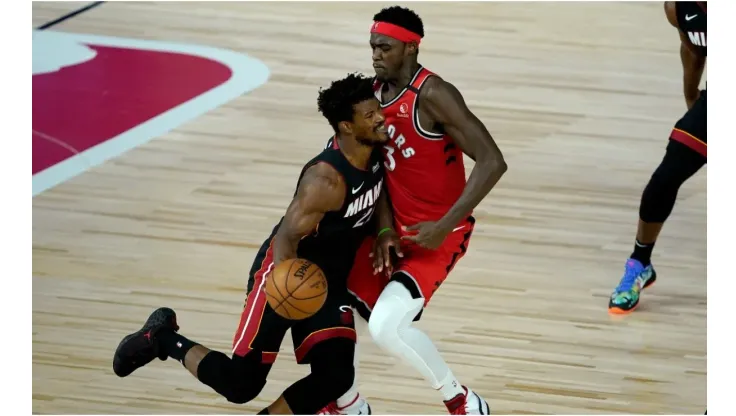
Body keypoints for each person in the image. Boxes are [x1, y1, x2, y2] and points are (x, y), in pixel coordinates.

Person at [112, 73, 390, 414]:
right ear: (347, 127)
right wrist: (289, 292)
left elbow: (381, 193)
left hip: (329, 282)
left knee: (335, 376)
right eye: (370, 115)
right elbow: (288, 236)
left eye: (378, 110)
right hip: (285, 273)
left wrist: (384, 232)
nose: (380, 118)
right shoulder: (325, 180)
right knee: (241, 385)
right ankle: (163, 338)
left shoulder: (373, 149)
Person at [318, 6, 508, 415]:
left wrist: (444, 226)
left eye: (384, 47)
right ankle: (348, 405)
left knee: (387, 327)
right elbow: (378, 171)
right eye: (372, 46)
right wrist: (384, 229)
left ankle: (461, 400)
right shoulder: (372, 100)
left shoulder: (434, 95)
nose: (375, 55)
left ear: (410, 47)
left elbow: (493, 161)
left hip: (439, 233)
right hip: (389, 231)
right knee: (333, 300)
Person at [608, 1, 706, 315]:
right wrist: (693, 101)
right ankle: (640, 262)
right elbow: (692, 51)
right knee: (665, 177)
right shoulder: (679, 8)